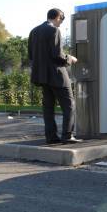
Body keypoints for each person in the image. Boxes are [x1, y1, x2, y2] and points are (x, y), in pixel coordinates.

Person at [28, 8, 82, 144]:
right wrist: (70, 58)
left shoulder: (33, 31)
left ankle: (51, 137)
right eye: (61, 20)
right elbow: (57, 55)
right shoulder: (54, 30)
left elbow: (31, 55)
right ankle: (67, 135)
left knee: (48, 108)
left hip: (42, 77)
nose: (61, 23)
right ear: (57, 17)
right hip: (57, 75)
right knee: (69, 105)